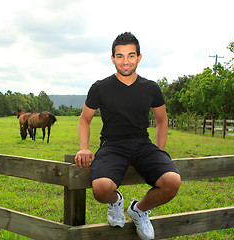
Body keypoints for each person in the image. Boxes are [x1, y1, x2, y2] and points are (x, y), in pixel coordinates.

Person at [74, 32, 181, 240]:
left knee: (172, 182)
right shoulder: (100, 87)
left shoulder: (150, 88)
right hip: (112, 145)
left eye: (131, 56)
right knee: (101, 188)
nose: (125, 62)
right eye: (120, 56)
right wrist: (84, 147)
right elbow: (85, 119)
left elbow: (162, 119)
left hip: (143, 145)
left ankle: (139, 210)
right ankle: (116, 202)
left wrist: (160, 150)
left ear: (139, 58)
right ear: (113, 58)